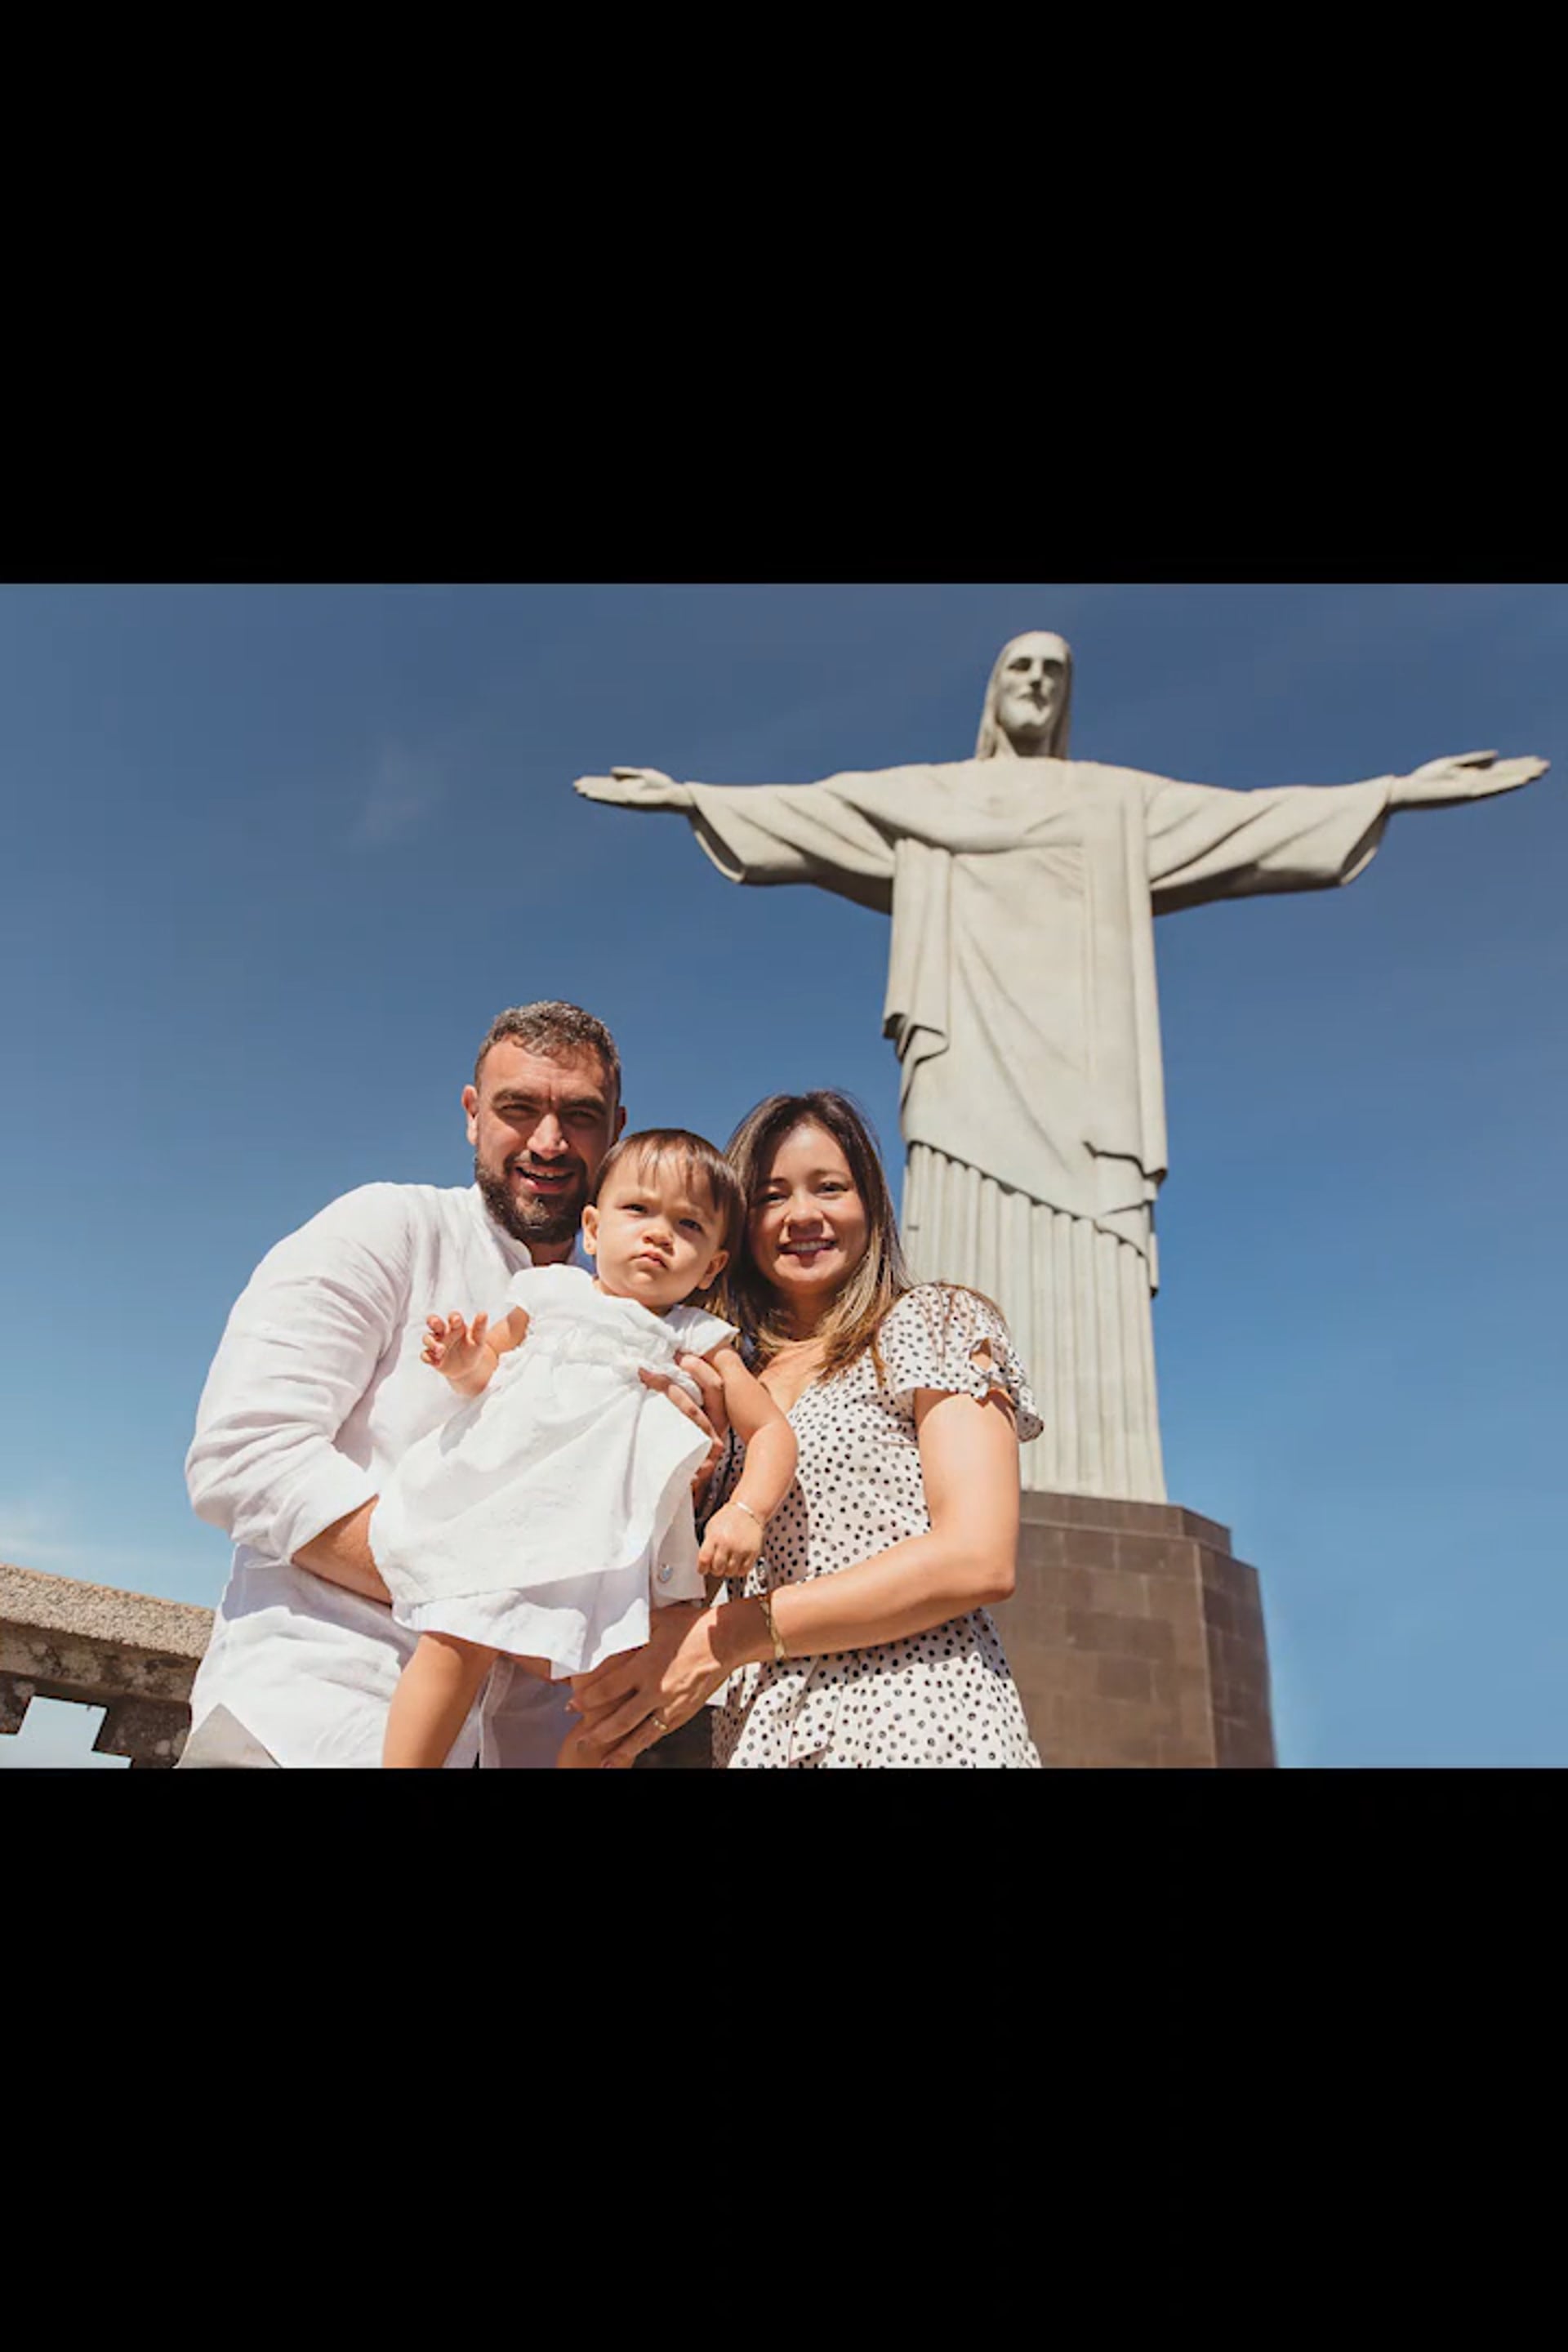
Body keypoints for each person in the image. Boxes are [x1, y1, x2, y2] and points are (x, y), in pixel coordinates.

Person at [576, 636, 1548, 1503]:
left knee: (1091, 1242)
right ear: (995, 695)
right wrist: (692, 796)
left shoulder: (1114, 800)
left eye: (1054, 671)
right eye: (1020, 669)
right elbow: (817, 811)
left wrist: (1396, 792)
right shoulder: (935, 794)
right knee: (957, 1220)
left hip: (1085, 1073)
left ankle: (1102, 1473)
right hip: (965, 1056)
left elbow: (1251, 823)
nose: (1036, 683)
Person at [180, 1002, 726, 1769]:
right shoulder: (384, 1229)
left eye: (579, 1115)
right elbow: (245, 1458)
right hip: (311, 1723)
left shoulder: (660, 1336)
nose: (548, 1140)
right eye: (518, 1108)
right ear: (473, 1115)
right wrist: (473, 1584)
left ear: (615, 1131)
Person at [567, 1089, 1043, 1768]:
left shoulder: (934, 1322)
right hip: (760, 1735)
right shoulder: (724, 1373)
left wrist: (732, 1634)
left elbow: (978, 1557)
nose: (804, 1215)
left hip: (918, 1723)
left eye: (829, 1187)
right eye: (771, 1195)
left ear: (869, 1205)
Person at [373, 1129, 796, 1768]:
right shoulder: (549, 1293)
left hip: (613, 1546)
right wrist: (462, 1361)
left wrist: (749, 1511)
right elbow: (490, 1373)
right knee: (454, 1642)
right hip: (516, 1510)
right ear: (593, 1230)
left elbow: (770, 1432)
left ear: (712, 1264)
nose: (658, 1233)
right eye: (638, 1210)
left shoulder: (697, 1337)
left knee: (614, 1708)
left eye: (687, 1225)